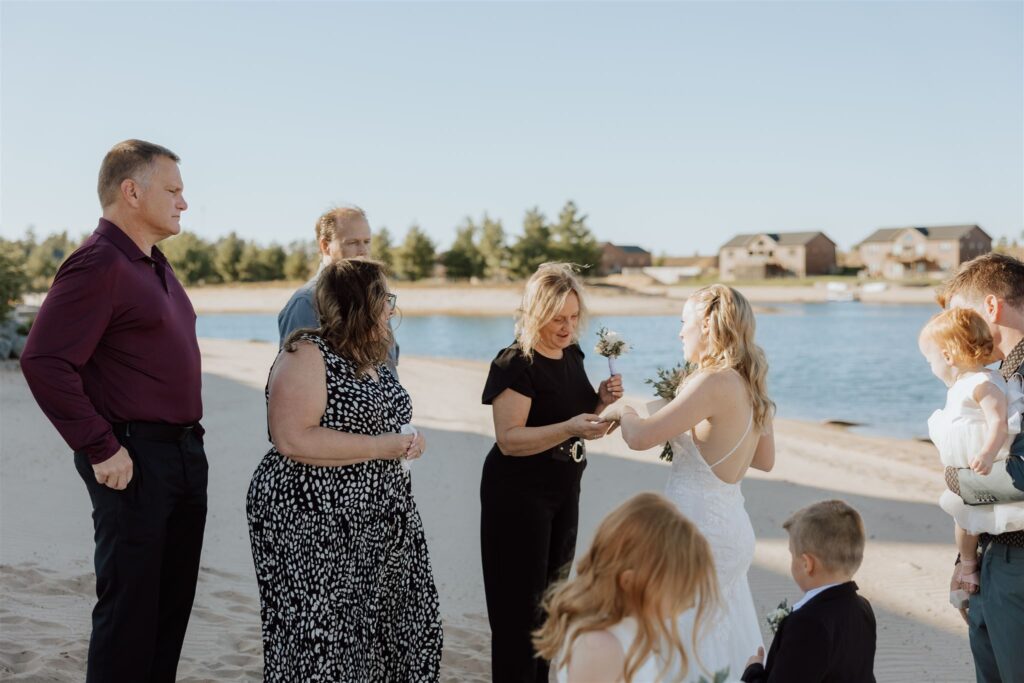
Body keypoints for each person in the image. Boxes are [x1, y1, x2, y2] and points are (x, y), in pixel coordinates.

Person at [20, 139, 206, 682]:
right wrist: (101, 447)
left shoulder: (154, 265)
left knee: (169, 613)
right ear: (131, 191)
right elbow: (44, 361)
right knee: (129, 616)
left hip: (183, 455)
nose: (183, 203)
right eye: (173, 190)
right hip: (133, 460)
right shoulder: (97, 262)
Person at [247, 259, 442, 680]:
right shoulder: (306, 354)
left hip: (380, 522)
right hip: (316, 522)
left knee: (401, 630)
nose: (391, 308)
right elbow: (292, 438)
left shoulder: (370, 356)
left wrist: (409, 439)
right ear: (359, 304)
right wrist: (382, 447)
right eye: (384, 299)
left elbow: (382, 420)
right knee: (326, 640)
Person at [603, 284, 774, 679]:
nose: (680, 333)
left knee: (680, 642)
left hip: (695, 534)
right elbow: (765, 459)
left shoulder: (711, 381)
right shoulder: (751, 382)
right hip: (733, 529)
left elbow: (640, 437)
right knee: (717, 638)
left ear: (709, 328)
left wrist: (624, 409)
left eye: (685, 323)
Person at [480, 262, 623, 683]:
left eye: (574, 317)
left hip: (564, 493)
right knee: (518, 614)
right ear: (535, 313)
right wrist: (571, 427)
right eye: (558, 318)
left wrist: (601, 404)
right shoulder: (515, 363)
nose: (567, 327)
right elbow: (509, 439)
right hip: (518, 497)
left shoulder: (572, 354)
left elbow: (582, 424)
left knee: (552, 606)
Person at [938, 252, 1024, 682]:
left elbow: (1021, 474)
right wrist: (966, 560)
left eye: (960, 317)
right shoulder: (996, 375)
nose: (954, 332)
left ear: (991, 307)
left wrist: (956, 479)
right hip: (993, 556)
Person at [534, 492, 720, 683]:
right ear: (629, 582)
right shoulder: (600, 649)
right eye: (678, 591)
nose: (688, 602)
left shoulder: (633, 627)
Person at [918, 308, 1024, 594]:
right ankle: (967, 564)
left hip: (984, 465)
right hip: (969, 471)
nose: (931, 367)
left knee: (969, 521)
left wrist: (988, 454)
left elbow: (998, 422)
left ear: (948, 357)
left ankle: (968, 566)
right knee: (964, 520)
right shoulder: (963, 385)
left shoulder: (984, 382)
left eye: (930, 360)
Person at [741, 500, 876, 682]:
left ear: (807, 564)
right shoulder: (863, 608)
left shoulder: (807, 623)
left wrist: (753, 671)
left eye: (792, 554)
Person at [277, 205, 399, 374]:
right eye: (353, 242)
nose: (363, 251)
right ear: (325, 246)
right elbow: (295, 374)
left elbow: (389, 361)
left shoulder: (373, 294)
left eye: (367, 241)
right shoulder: (307, 301)